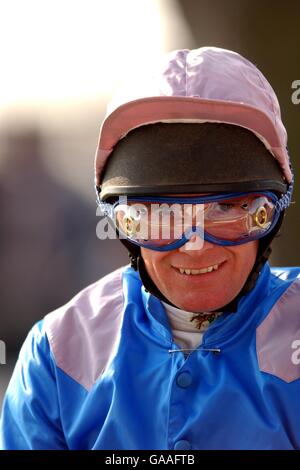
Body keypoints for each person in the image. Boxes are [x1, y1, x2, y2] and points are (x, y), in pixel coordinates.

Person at [1, 46, 299, 450]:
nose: (195, 246)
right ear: (123, 228)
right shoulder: (57, 355)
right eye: (160, 214)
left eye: (228, 208)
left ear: (272, 214)